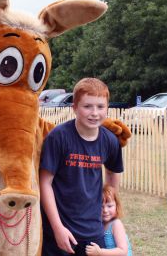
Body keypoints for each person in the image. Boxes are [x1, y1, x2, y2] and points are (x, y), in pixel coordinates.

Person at [40, 78, 124, 256]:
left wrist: (109, 204)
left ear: (107, 108)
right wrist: (57, 228)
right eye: (87, 106)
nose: (94, 113)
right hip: (60, 230)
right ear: (75, 107)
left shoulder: (109, 140)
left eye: (100, 107)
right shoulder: (58, 137)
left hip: (93, 231)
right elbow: (45, 183)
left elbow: (113, 172)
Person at [85, 185, 132, 256]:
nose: (105, 210)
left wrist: (100, 252)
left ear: (117, 206)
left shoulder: (116, 224)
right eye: (101, 206)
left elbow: (123, 251)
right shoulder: (99, 223)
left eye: (109, 206)